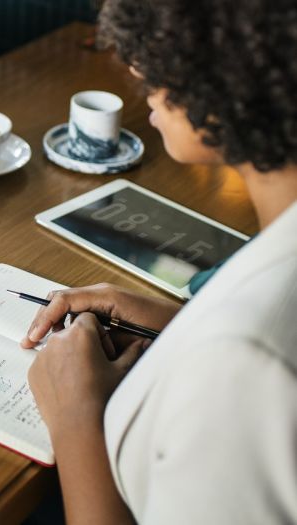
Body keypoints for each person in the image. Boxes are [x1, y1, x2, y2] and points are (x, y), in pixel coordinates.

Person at [22, 0, 297, 523]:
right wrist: (182, 326)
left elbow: (254, 364)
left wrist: (77, 418)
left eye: (156, 40)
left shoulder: (248, 364)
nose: (134, 67)